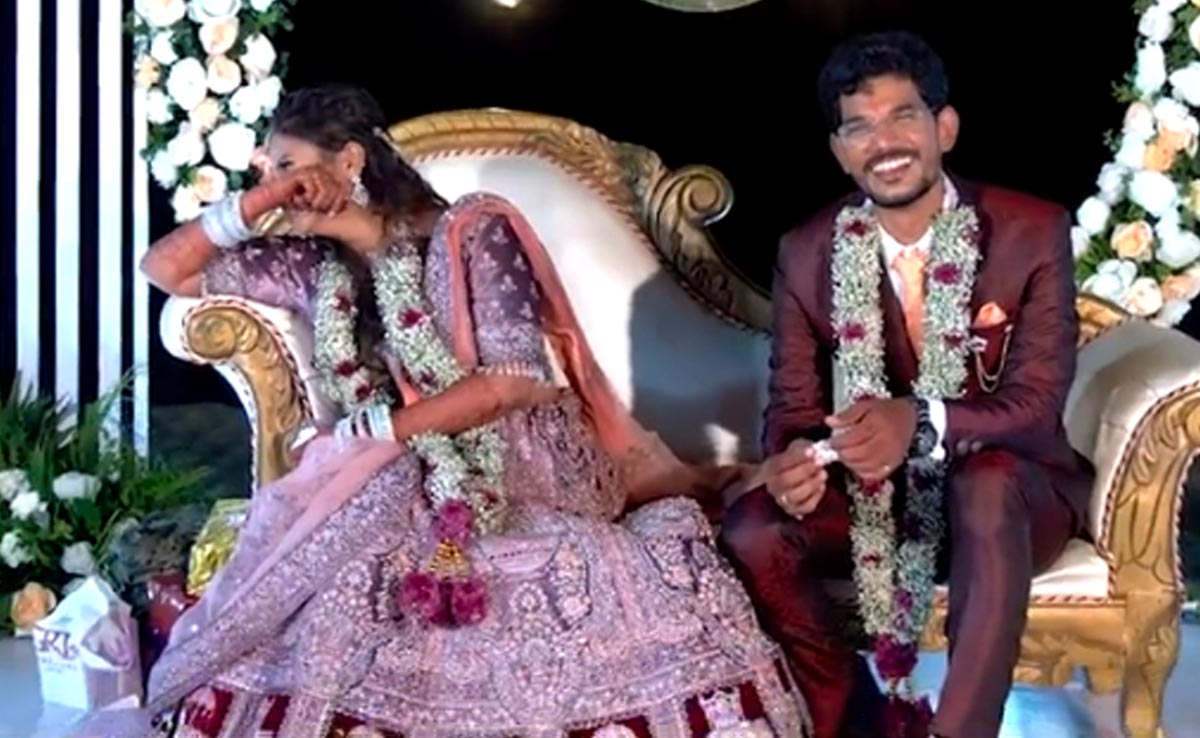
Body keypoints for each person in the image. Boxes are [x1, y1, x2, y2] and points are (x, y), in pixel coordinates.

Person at [79, 85, 808, 738]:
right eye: (267, 170)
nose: (276, 185)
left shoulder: (470, 232)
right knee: (340, 570)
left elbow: (512, 382)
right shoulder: (314, 268)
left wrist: (376, 431)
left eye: (289, 165)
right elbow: (164, 268)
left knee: (415, 528)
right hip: (404, 467)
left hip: (521, 458)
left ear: (350, 162)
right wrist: (259, 201)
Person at [718, 31, 1094, 738]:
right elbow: (793, 408)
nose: (883, 143)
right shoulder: (807, 250)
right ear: (839, 151)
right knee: (754, 528)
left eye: (902, 117)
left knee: (987, 483)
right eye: (859, 127)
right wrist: (793, 461)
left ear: (944, 127)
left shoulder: (1030, 230)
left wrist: (919, 422)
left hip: (1016, 500)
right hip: (878, 504)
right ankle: (852, 720)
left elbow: (1037, 407)